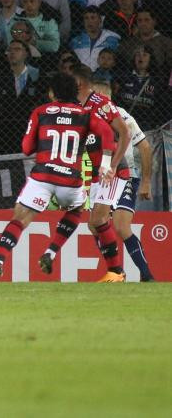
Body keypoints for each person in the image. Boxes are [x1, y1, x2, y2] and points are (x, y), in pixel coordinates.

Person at [0, 73, 116, 284]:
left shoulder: (41, 112)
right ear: (74, 92)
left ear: (52, 92)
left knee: (20, 218)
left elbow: (26, 148)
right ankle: (51, 251)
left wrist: (41, 143)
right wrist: (106, 163)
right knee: (76, 209)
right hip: (70, 180)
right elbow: (108, 133)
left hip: (42, 176)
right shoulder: (85, 114)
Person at [55, 64, 131, 281]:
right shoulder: (74, 107)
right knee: (93, 224)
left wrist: (115, 165)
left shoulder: (101, 103)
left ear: (78, 83)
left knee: (98, 219)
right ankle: (115, 270)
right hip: (97, 172)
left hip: (112, 170)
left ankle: (116, 272)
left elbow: (124, 133)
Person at [89, 86, 155, 282]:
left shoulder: (123, 118)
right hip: (101, 178)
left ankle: (146, 275)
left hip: (127, 175)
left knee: (121, 225)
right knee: (94, 225)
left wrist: (146, 182)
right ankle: (115, 271)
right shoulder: (89, 118)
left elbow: (144, 147)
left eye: (103, 98)